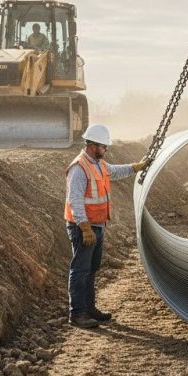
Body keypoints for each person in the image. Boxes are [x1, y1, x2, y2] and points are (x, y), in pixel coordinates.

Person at [64, 123, 147, 328]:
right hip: (83, 227)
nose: (106, 149)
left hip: (97, 226)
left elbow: (115, 172)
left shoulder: (99, 164)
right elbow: (75, 200)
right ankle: (77, 314)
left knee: (91, 269)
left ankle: (89, 308)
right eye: (104, 146)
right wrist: (84, 228)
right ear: (92, 145)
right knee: (80, 270)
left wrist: (136, 167)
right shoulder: (79, 168)